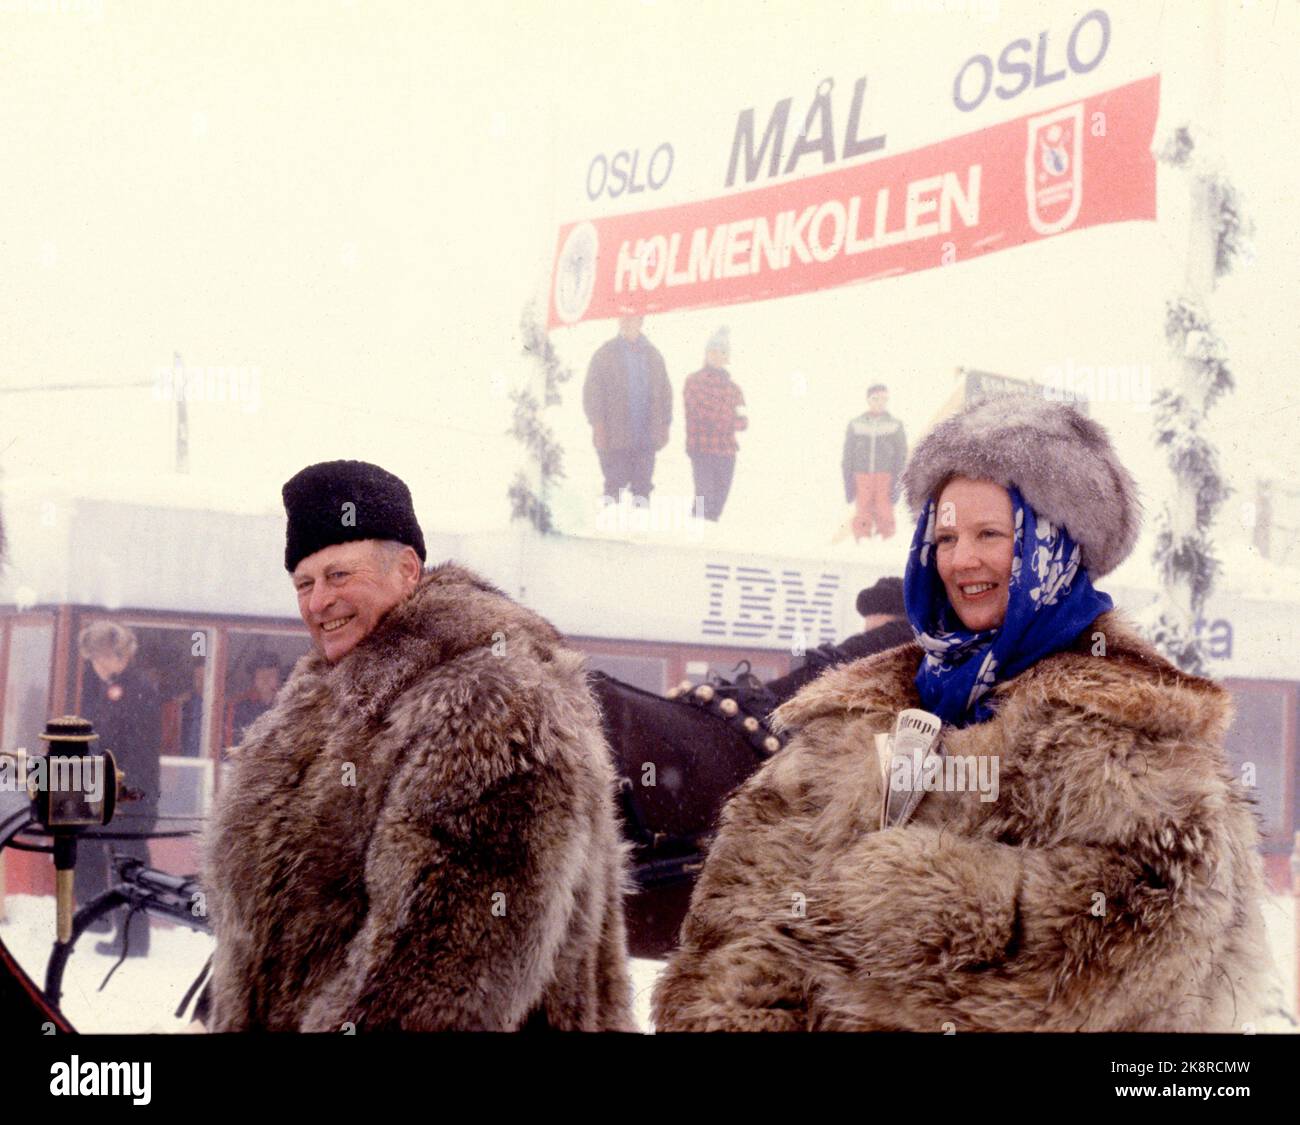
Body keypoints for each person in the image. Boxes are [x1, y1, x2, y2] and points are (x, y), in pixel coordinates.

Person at [653, 396, 1270, 1031]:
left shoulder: (1136, 736)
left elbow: (1121, 944)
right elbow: (738, 911)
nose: (961, 560)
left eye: (990, 535)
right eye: (945, 537)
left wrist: (885, 903)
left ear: (1052, 543)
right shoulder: (858, 714)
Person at [203, 460, 634, 1031]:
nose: (317, 602)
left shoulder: (492, 699)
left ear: (407, 570)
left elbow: (442, 968)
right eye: (303, 584)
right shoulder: (319, 701)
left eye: (338, 575)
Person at [75, 621, 161, 957]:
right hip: (108, 791)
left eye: (100, 657)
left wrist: (126, 795)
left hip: (130, 796)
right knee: (93, 849)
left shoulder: (139, 689)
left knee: (129, 863)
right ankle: (104, 920)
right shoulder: (106, 687)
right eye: (92, 658)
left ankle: (132, 940)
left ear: (118, 654)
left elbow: (140, 752)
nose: (95, 664)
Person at [583, 314, 672, 504]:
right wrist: (598, 425)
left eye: (632, 318)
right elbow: (592, 393)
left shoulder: (654, 356)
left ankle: (640, 528)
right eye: (623, 318)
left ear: (641, 322)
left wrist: (665, 425)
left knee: (642, 490)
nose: (627, 323)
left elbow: (665, 394)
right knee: (613, 487)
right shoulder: (605, 354)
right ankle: (607, 526)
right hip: (614, 437)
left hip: (646, 437)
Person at [682, 326, 747, 521]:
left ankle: (707, 536)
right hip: (702, 448)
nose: (717, 356)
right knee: (703, 499)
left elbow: (743, 421)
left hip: (726, 452)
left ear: (727, 357)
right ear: (706, 354)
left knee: (718, 503)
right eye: (713, 351)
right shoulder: (694, 381)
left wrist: (728, 420)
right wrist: (729, 421)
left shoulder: (734, 388)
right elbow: (701, 414)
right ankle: (695, 534)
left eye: (721, 352)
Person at [841, 383, 907, 541]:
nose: (879, 403)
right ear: (868, 400)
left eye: (883, 399)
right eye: (875, 399)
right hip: (861, 474)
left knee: (884, 509)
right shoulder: (856, 424)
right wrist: (848, 480)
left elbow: (901, 455)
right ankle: (862, 539)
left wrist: (897, 481)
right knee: (862, 508)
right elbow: (848, 453)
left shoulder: (895, 424)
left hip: (885, 475)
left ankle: (887, 538)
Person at [228, 654, 282, 744]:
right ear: (253, 679)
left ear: (278, 679)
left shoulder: (288, 703)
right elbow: (231, 744)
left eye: (271, 675)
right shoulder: (239, 706)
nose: (266, 679)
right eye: (260, 675)